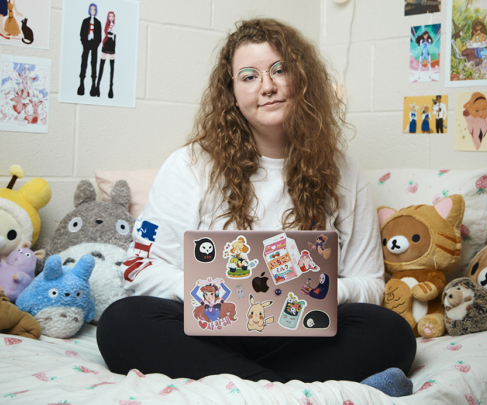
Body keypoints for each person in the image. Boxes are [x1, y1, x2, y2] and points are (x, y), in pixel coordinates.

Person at [97, 18, 416, 397]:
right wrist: (218, 290)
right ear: (231, 92)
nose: (267, 86)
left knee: (392, 333)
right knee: (120, 322)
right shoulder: (189, 165)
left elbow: (370, 285)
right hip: (213, 330)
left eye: (280, 70)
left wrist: (319, 291)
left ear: (303, 78)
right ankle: (282, 390)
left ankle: (245, 387)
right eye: (248, 76)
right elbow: (140, 269)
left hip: (301, 334)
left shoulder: (344, 172)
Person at [77, 3, 102, 97]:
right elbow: (81, 33)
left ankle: (93, 85)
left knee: (94, 64)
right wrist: (84, 43)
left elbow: (99, 37)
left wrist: (95, 44)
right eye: (91, 9)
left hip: (94, 45)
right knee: (84, 63)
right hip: (86, 44)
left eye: (94, 10)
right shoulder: (85, 21)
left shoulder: (98, 23)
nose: (92, 11)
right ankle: (81, 84)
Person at [96, 11, 117, 98]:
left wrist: (114, 47)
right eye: (110, 16)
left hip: (111, 44)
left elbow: (115, 36)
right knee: (102, 65)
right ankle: (97, 86)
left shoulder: (115, 26)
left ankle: (110, 88)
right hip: (106, 43)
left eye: (112, 16)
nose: (111, 18)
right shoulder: (106, 25)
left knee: (112, 66)